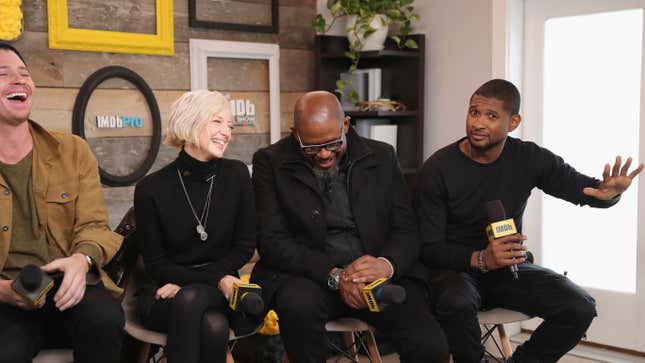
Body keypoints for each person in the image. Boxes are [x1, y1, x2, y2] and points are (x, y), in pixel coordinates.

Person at [417, 79, 644, 363]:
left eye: (491, 116)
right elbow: (429, 248)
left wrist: (608, 194)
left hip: (508, 270)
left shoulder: (528, 157)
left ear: (513, 122)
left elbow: (581, 189)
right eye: (474, 112)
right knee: (456, 303)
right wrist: (481, 258)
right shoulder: (437, 169)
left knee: (579, 307)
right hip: (455, 271)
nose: (478, 123)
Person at [251, 90, 448, 362]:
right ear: (295, 133)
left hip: (376, 277)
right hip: (310, 276)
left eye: (332, 143)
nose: (323, 155)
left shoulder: (381, 157)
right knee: (297, 308)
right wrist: (334, 275)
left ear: (346, 125)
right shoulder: (270, 162)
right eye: (311, 147)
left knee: (430, 344)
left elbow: (406, 229)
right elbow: (272, 241)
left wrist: (386, 264)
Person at [0, 42, 125, 362]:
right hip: (6, 299)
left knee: (106, 320)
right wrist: (5, 292)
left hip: (70, 287)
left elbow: (95, 226)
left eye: (24, 74)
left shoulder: (72, 151)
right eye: (3, 74)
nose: (18, 80)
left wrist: (80, 261)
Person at [134, 90, 259, 363]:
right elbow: (157, 265)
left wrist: (193, 282)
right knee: (209, 323)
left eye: (230, 125)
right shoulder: (150, 189)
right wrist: (216, 280)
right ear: (190, 121)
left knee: (192, 301)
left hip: (221, 291)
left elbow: (245, 246)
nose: (227, 132)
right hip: (165, 290)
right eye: (217, 122)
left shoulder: (237, 175)